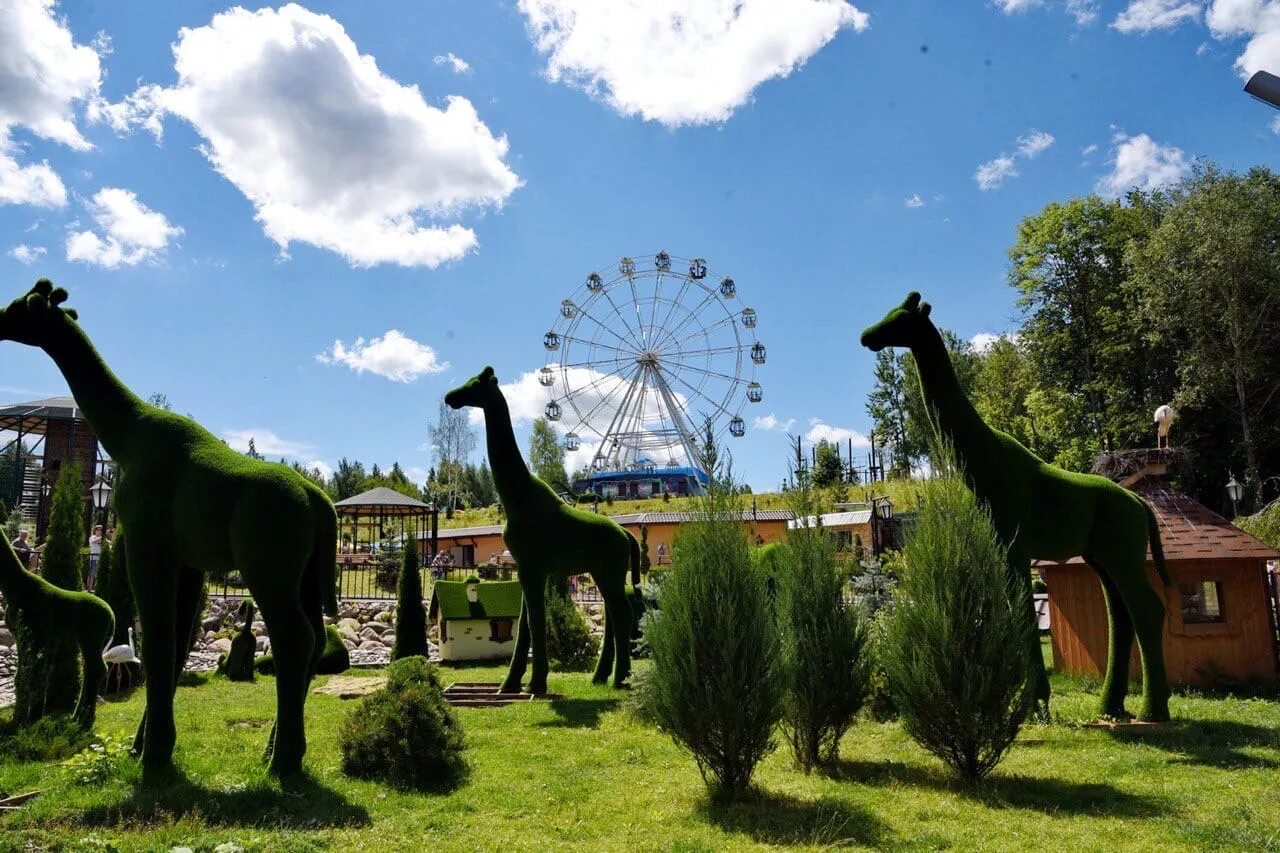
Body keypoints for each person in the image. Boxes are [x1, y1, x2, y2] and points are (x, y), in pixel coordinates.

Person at [87, 524, 104, 591]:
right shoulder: (92, 537)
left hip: (101, 559)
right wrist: (104, 535)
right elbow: (94, 541)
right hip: (94, 559)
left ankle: (97, 589)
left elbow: (111, 543)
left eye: (101, 530)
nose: (99, 531)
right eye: (98, 530)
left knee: (98, 575)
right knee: (91, 574)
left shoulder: (102, 538)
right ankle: (89, 589)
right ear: (95, 531)